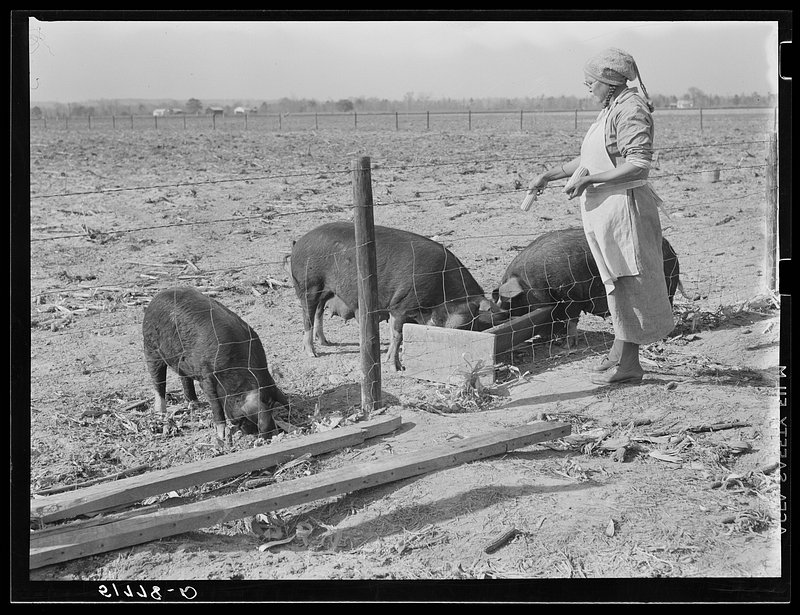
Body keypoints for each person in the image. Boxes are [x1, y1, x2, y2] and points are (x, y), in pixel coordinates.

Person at [528, 47, 675, 386]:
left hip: (627, 209)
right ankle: (619, 353)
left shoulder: (631, 110)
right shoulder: (612, 108)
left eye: (589, 83)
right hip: (608, 210)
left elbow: (638, 163)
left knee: (630, 282)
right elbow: (589, 160)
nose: (587, 89)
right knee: (616, 282)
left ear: (608, 82)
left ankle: (630, 367)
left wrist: (590, 180)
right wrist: (551, 175)